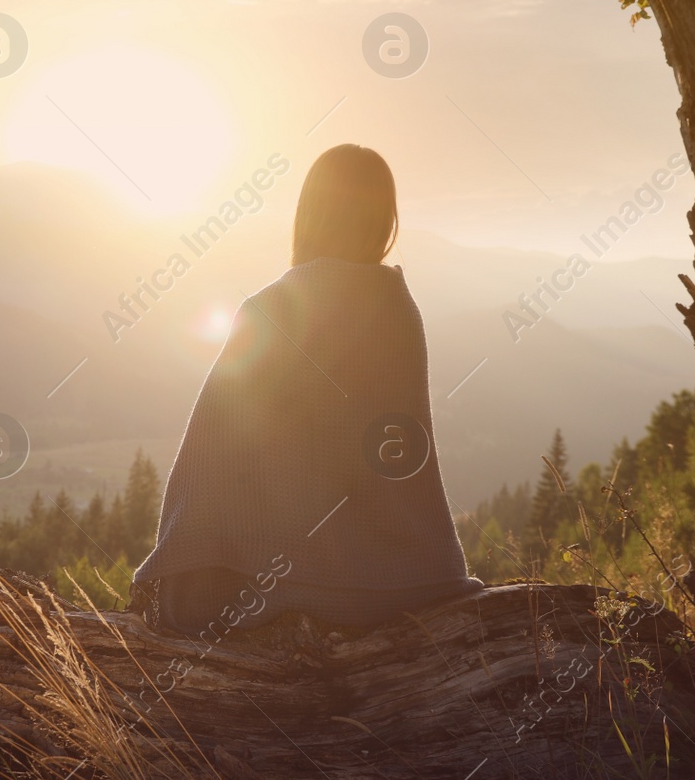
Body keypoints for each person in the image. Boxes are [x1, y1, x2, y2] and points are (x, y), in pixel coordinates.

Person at [132, 144, 484, 637]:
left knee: (196, 595)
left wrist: (178, 563)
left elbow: (207, 460)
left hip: (274, 586)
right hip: (401, 580)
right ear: (384, 221)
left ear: (310, 214)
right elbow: (406, 465)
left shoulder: (271, 309)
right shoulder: (399, 312)